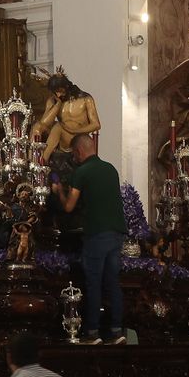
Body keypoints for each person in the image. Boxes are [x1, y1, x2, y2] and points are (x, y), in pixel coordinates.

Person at [51, 133, 127, 345]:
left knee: (93, 284)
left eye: (74, 153)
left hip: (96, 234)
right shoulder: (110, 169)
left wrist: (58, 191)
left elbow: (69, 207)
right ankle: (117, 331)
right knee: (112, 282)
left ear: (78, 151)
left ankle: (92, 332)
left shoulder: (82, 172)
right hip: (116, 233)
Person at [32, 72, 101, 162]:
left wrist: (74, 131)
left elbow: (96, 125)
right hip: (61, 138)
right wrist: (57, 105)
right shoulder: (53, 101)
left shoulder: (85, 99)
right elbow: (44, 124)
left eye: (60, 91)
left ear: (67, 86)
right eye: (55, 92)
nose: (58, 95)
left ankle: (42, 161)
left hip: (78, 137)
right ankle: (34, 162)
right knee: (37, 126)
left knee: (58, 127)